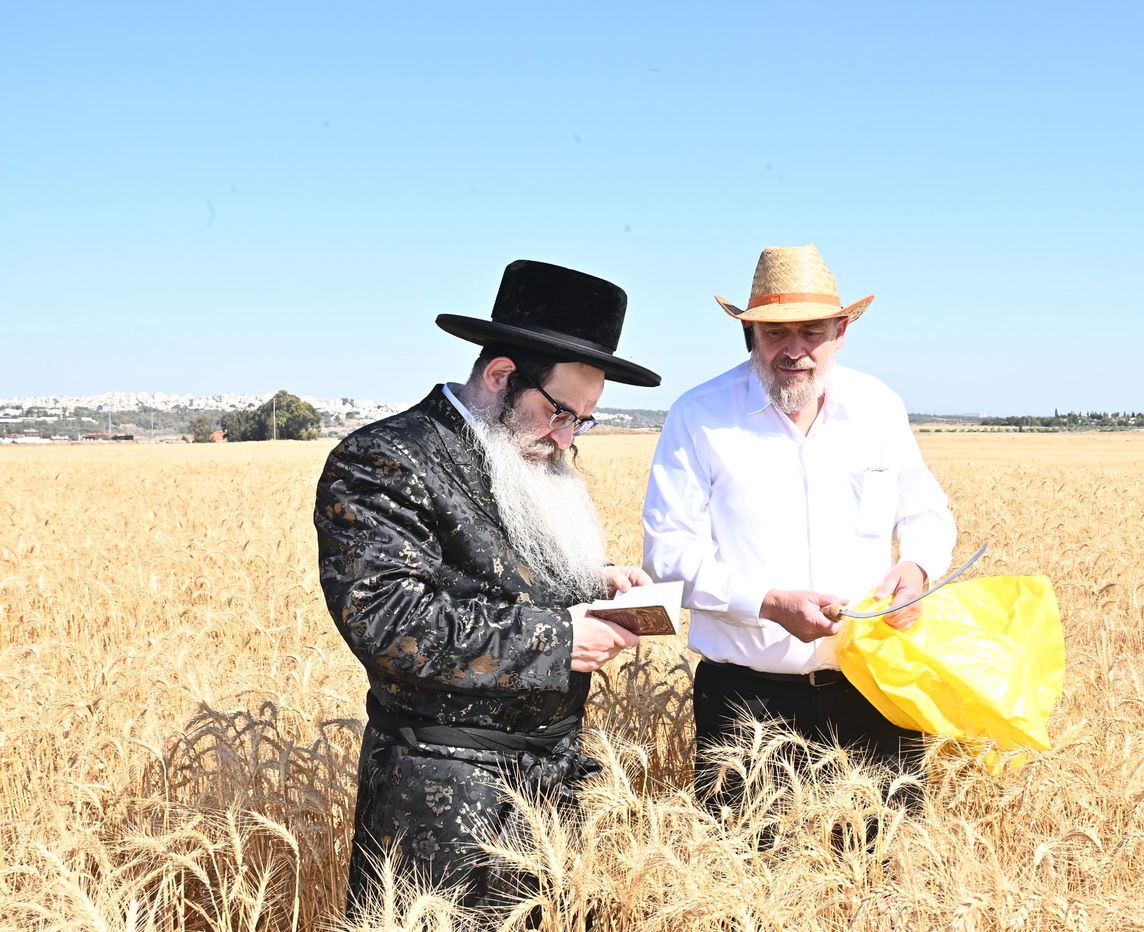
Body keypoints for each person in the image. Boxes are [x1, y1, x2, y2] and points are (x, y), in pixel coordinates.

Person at [315, 259, 661, 914]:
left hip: (550, 789)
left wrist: (594, 582)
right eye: (561, 413)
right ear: (501, 376)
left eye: (583, 420)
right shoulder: (385, 459)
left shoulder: (529, 446)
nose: (568, 437)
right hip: (439, 802)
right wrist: (561, 639)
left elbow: (507, 570)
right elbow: (388, 620)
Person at [641, 244, 957, 809]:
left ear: (840, 331)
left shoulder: (879, 406)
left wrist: (916, 567)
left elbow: (925, 513)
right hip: (748, 707)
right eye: (774, 335)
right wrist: (767, 603)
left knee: (886, 877)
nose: (794, 352)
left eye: (811, 332)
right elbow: (666, 555)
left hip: (876, 690)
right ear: (749, 336)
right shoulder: (699, 415)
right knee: (744, 880)